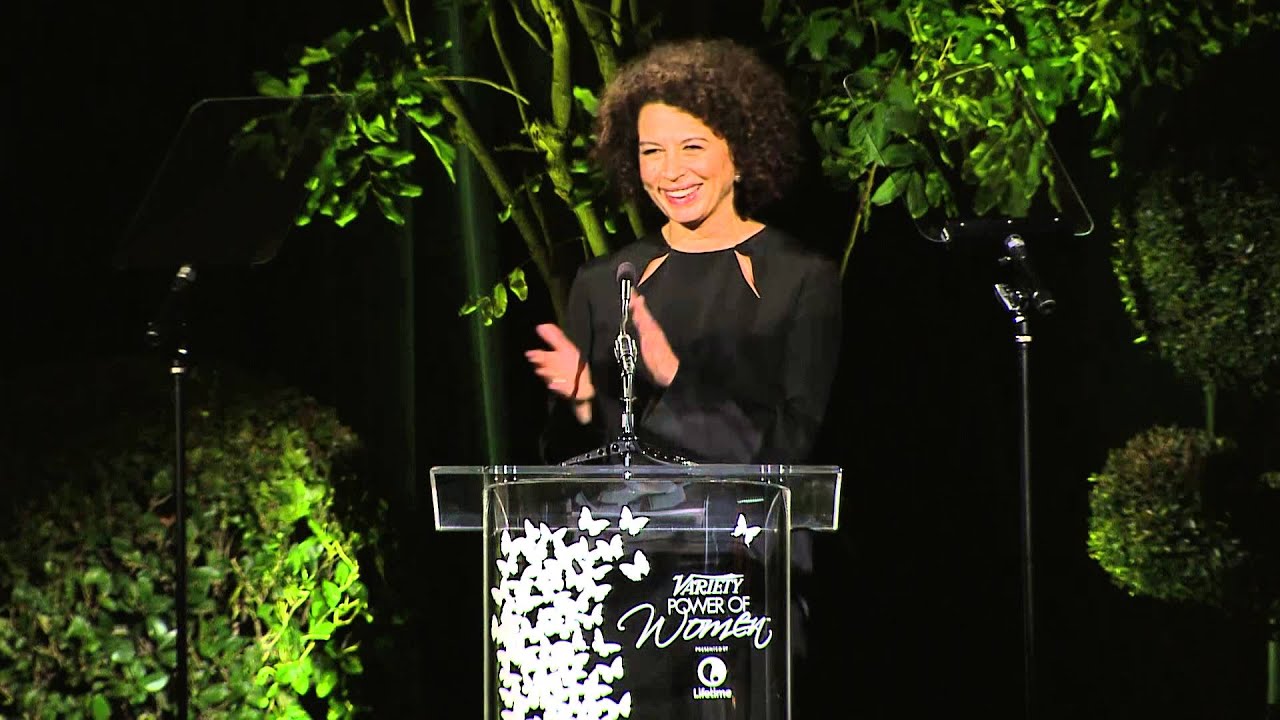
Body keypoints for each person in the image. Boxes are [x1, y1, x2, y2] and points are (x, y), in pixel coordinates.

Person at [526, 37, 842, 466]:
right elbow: (563, 462)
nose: (671, 171)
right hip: (626, 513)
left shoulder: (800, 279)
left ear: (742, 153)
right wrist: (581, 403)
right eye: (652, 152)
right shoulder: (605, 282)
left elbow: (792, 448)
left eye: (692, 147)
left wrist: (673, 377)